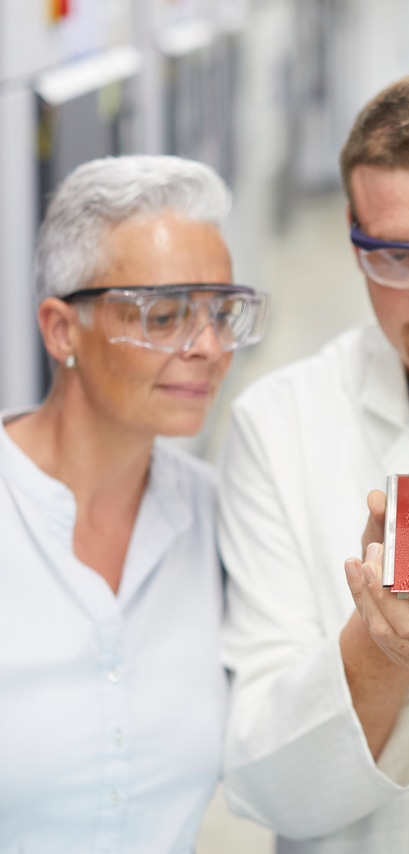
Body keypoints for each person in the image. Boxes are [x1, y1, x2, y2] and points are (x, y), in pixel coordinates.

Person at [218, 69, 409, 853]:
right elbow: (265, 784)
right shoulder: (281, 422)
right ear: (353, 235)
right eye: (397, 258)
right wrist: (383, 639)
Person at [0, 154, 268, 853]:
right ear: (62, 330)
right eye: (166, 315)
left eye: (221, 313)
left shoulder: (216, 516)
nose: (208, 347)